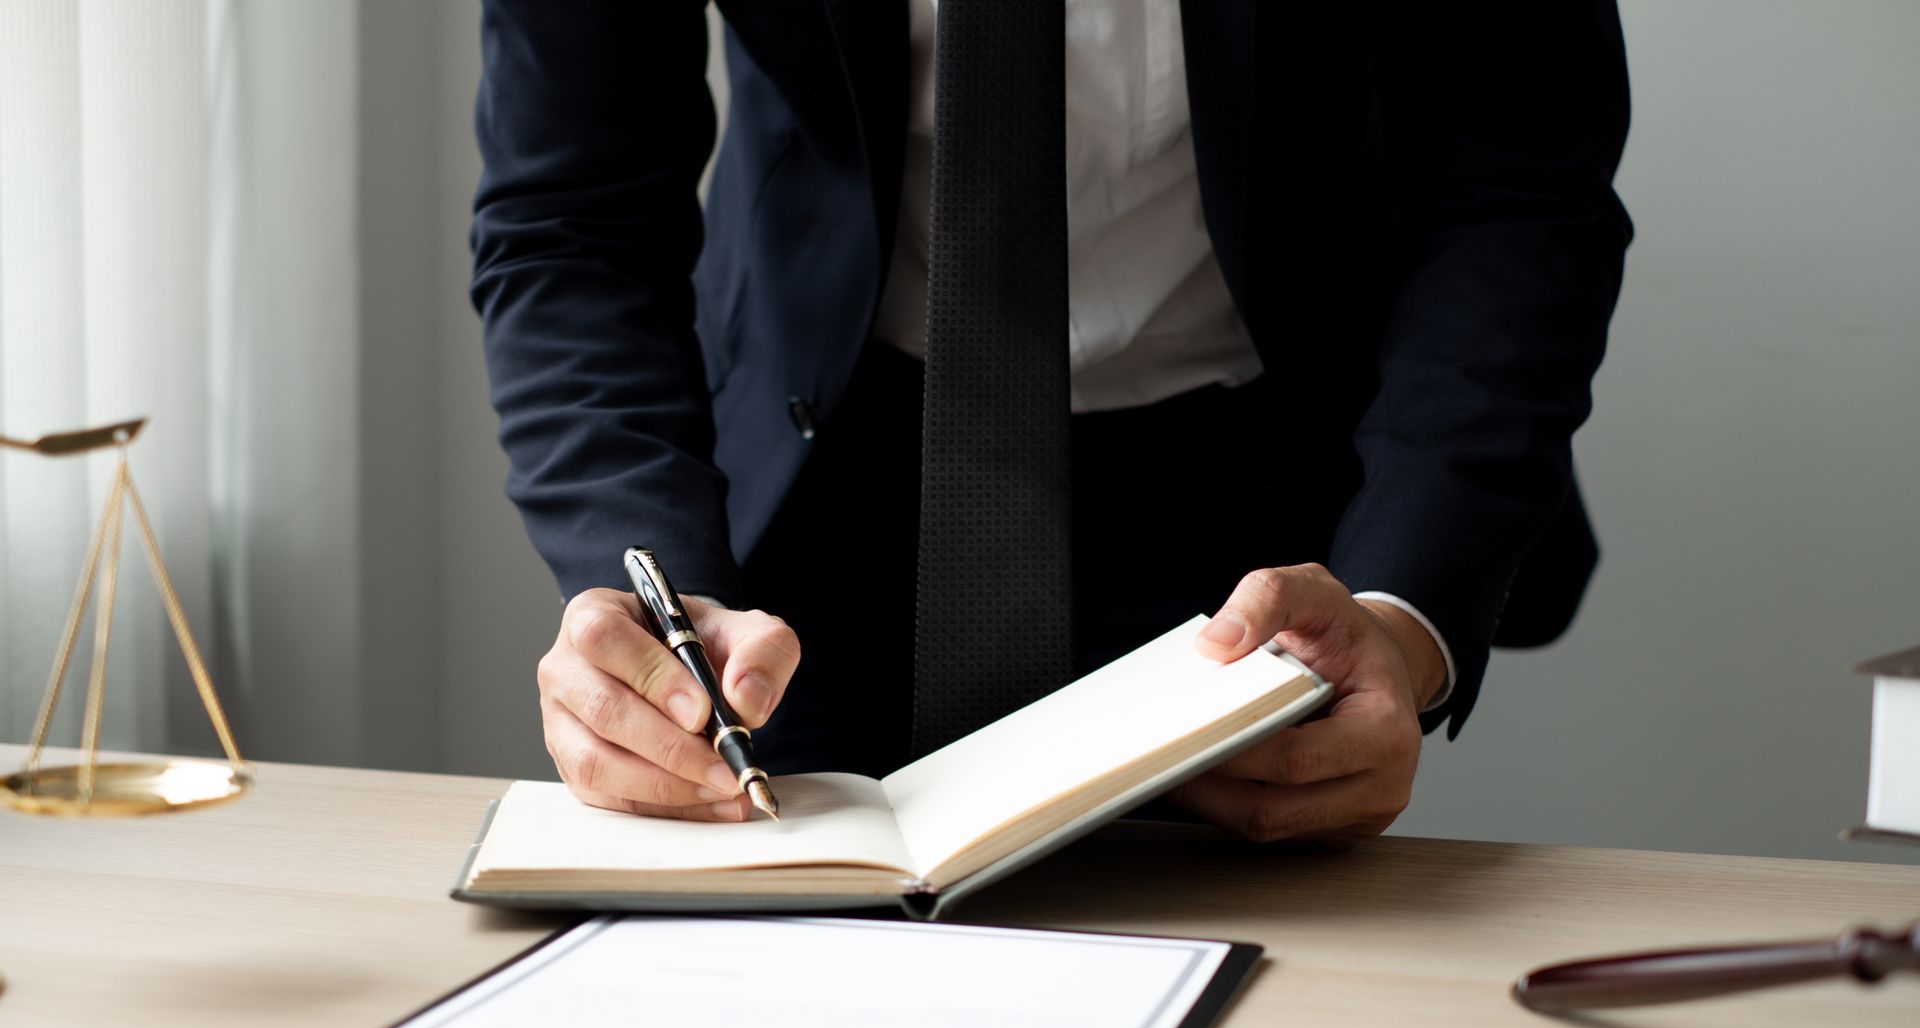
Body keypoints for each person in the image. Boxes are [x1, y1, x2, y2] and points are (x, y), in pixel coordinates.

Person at [470, 1, 1632, 845]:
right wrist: (647, 594)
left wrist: (1400, 611)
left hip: (1272, 534)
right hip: (810, 510)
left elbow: (1519, 194)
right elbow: (572, 220)